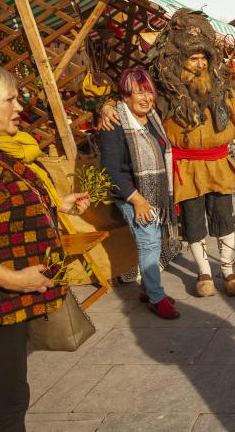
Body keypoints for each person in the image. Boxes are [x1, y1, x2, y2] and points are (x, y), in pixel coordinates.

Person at [99, 9, 235, 298]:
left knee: (224, 217)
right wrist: (106, 106)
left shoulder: (223, 90)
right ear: (181, 62)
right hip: (186, 168)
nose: (199, 64)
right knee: (193, 222)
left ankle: (228, 269)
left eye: (203, 58)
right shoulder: (164, 95)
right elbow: (134, 101)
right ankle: (204, 272)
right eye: (193, 58)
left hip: (218, 165)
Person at [0, 66, 90, 430]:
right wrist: (13, 280)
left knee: (10, 396)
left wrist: (57, 203)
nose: (20, 107)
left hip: (10, 305)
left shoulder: (5, 151)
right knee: (4, 406)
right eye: (10, 100)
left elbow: (4, 203)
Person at [99, 68, 179, 319]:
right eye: (137, 93)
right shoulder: (113, 124)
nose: (145, 98)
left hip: (156, 194)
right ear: (125, 96)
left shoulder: (153, 118)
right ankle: (156, 297)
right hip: (132, 195)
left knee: (153, 242)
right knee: (149, 242)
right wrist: (138, 200)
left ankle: (147, 289)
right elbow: (110, 170)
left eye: (148, 91)